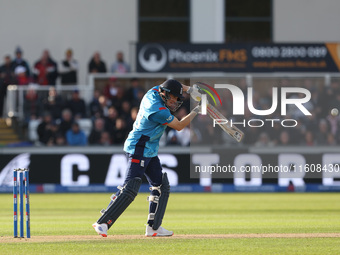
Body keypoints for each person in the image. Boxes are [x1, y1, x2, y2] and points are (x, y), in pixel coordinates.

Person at [92, 79, 201, 237]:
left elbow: (172, 83)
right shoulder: (158, 110)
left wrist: (190, 90)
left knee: (161, 186)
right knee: (130, 187)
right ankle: (102, 222)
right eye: (174, 98)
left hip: (149, 149)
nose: (176, 102)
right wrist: (197, 109)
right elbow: (179, 126)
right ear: (165, 95)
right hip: (139, 147)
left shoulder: (154, 91)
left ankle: (153, 227)